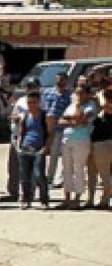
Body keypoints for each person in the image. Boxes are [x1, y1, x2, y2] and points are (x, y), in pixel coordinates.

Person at [59, 81, 97, 210]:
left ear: (87, 94)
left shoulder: (90, 106)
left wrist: (73, 116)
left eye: (81, 93)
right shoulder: (71, 105)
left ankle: (77, 198)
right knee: (66, 169)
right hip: (67, 139)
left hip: (81, 140)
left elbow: (81, 119)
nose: (78, 95)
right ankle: (67, 198)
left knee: (78, 169)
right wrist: (72, 119)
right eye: (77, 93)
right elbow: (61, 121)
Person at [16, 90, 51, 209]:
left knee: (39, 174)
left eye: (34, 102)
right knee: (24, 176)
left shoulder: (44, 115)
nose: (31, 105)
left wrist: (46, 147)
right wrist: (19, 145)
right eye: (29, 102)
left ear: (39, 103)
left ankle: (44, 200)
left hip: (38, 149)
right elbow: (21, 132)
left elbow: (50, 134)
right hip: (25, 148)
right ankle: (26, 199)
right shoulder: (25, 116)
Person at [42, 73, 72, 187]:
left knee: (65, 154)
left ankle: (61, 179)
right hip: (50, 127)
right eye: (58, 79)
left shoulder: (69, 95)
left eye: (63, 80)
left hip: (63, 127)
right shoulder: (48, 92)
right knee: (52, 154)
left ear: (66, 81)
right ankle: (49, 179)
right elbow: (44, 108)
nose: (60, 81)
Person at [90, 92, 112, 209]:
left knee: (105, 176)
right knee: (105, 175)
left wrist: (100, 96)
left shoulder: (107, 108)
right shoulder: (101, 112)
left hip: (105, 144)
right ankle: (105, 199)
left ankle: (105, 200)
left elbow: (105, 106)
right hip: (99, 144)